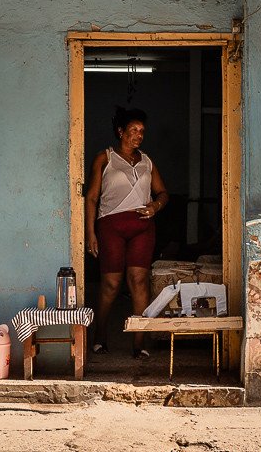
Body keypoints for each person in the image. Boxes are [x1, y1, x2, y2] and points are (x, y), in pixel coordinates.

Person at [85, 107, 169, 358]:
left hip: (143, 227)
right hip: (111, 226)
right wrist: (90, 233)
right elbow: (91, 198)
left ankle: (139, 342)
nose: (138, 135)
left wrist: (156, 205)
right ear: (120, 131)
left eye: (142, 131)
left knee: (138, 281)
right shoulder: (105, 158)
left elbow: (163, 193)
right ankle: (100, 335)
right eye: (133, 130)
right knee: (111, 284)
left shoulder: (147, 161)